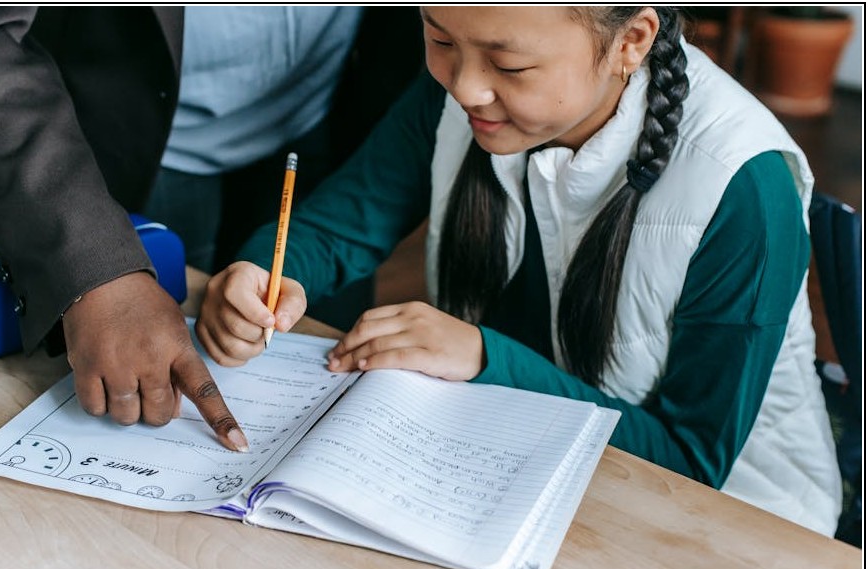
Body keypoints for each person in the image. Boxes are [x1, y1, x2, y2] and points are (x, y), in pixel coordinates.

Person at [196, 6, 843, 535]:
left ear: (632, 41)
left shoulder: (744, 187)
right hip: (504, 460)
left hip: (722, 528)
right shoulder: (465, 85)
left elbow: (691, 464)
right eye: (437, 36)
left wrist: (484, 358)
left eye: (510, 64)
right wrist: (261, 272)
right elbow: (338, 226)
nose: (465, 85)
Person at [0, 7, 423, 451]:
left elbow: (345, 228)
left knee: (318, 373)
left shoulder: (413, 128)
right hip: (138, 135)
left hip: (332, 117)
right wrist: (95, 271)